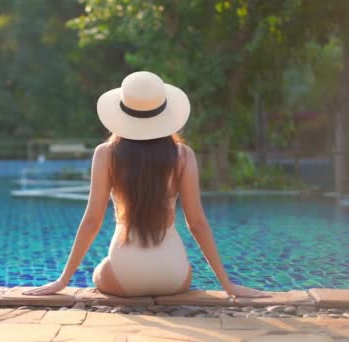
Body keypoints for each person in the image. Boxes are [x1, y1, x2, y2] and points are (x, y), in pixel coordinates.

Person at [24, 71, 268, 298]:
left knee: (99, 270)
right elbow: (198, 224)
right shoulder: (183, 155)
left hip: (124, 275)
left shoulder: (106, 154)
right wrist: (228, 285)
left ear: (121, 113)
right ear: (165, 113)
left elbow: (91, 222)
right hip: (173, 277)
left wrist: (62, 281)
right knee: (187, 267)